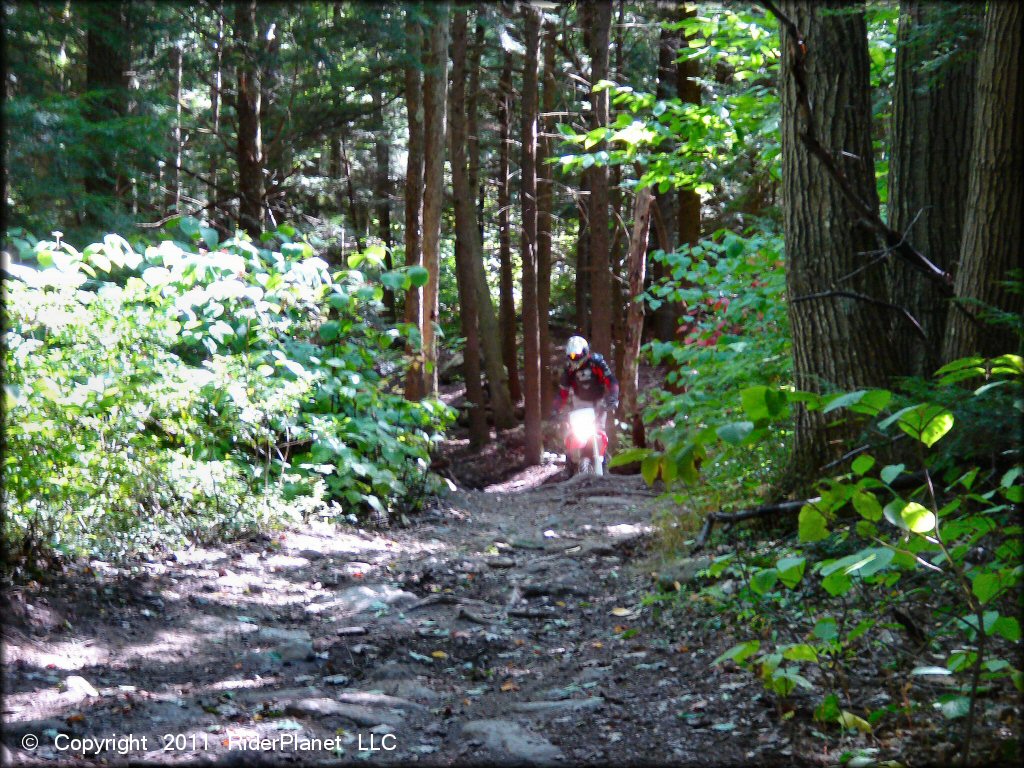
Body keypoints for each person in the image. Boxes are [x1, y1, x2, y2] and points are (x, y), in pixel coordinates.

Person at [551, 335, 619, 425]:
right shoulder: (569, 369)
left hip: (599, 404)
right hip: (580, 405)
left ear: (585, 351)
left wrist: (613, 396)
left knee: (600, 433)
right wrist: (556, 409)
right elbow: (563, 391)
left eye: (577, 355)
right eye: (571, 355)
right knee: (573, 435)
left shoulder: (596, 363)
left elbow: (611, 380)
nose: (574, 358)